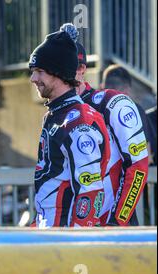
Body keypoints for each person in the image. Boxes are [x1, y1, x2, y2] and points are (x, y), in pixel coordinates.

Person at [29, 25, 110, 227]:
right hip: (50, 234)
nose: (33, 79)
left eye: (39, 71)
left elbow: (90, 191)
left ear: (59, 73)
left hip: (64, 241)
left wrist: (76, 246)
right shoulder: (55, 114)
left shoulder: (79, 121)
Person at [74, 27, 149, 226]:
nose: (36, 79)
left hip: (113, 228)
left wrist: (118, 220)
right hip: (72, 232)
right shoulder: (53, 115)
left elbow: (138, 165)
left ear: (82, 70)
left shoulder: (109, 103)